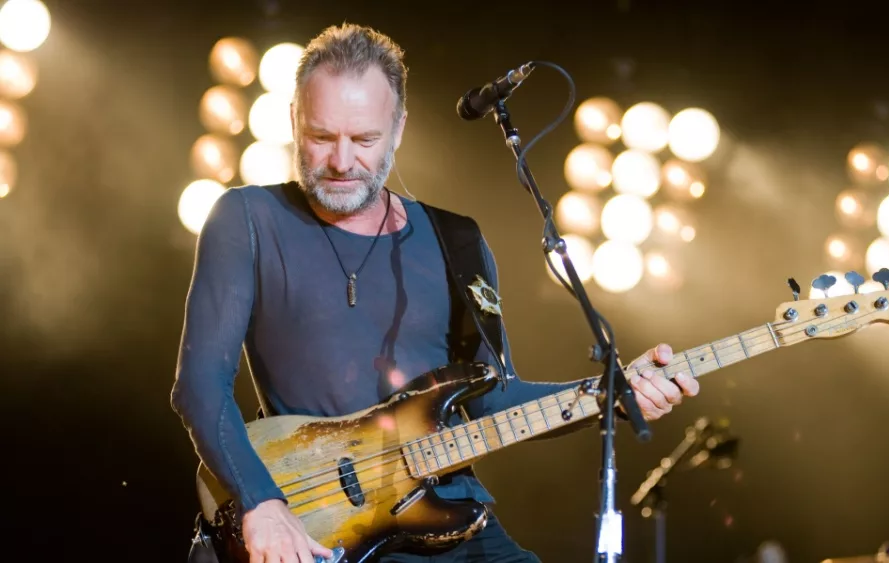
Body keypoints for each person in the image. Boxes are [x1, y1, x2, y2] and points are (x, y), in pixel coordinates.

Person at [171, 22, 700, 563]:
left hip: (444, 515)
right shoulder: (247, 217)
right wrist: (262, 504)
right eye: (321, 136)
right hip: (317, 527)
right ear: (293, 120)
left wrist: (613, 391)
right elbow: (200, 385)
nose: (341, 160)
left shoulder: (457, 241)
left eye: (365, 139)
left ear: (399, 129)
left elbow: (497, 396)